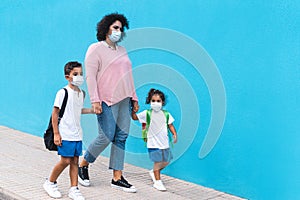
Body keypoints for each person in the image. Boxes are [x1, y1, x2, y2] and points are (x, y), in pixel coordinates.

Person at [78, 13, 139, 193]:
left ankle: (117, 177)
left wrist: (134, 98)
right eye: (115, 28)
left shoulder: (122, 51)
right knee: (106, 136)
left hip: (125, 100)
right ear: (106, 29)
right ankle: (83, 163)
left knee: (121, 137)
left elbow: (129, 76)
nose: (118, 32)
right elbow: (91, 76)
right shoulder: (95, 49)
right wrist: (95, 100)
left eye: (120, 29)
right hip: (106, 100)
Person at [43, 61, 93, 200]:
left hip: (77, 133)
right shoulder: (63, 92)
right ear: (67, 77)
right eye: (75, 74)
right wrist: (57, 133)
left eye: (81, 74)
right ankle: (50, 182)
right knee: (65, 160)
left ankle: (74, 188)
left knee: (75, 161)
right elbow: (55, 113)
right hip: (65, 133)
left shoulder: (81, 93)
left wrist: (91, 111)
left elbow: (77, 111)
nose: (79, 77)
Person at [132, 88, 178, 191]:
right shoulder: (147, 113)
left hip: (164, 143)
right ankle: (157, 182)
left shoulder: (166, 114)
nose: (155, 103)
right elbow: (135, 118)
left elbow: (170, 125)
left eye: (158, 101)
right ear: (150, 101)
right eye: (153, 101)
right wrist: (134, 111)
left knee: (166, 161)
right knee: (157, 162)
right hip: (153, 143)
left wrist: (174, 134)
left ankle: (153, 172)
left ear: (162, 102)